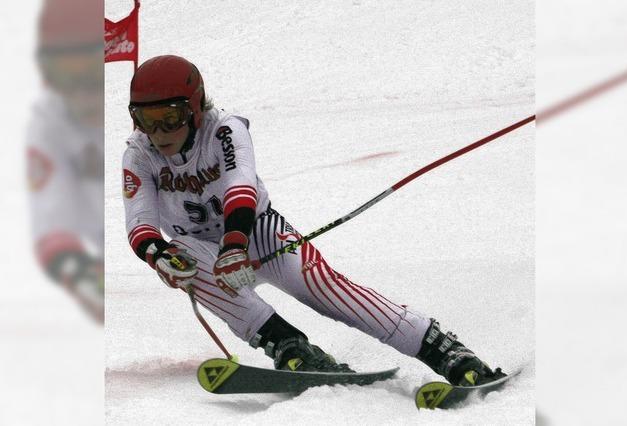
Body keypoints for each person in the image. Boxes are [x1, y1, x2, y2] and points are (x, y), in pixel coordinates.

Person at [122, 54, 505, 385]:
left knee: (322, 287)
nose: (157, 133)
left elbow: (240, 187)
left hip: (255, 232)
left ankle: (441, 349)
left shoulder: (223, 130)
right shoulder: (139, 154)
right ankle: (288, 345)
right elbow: (140, 222)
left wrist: (235, 243)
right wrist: (159, 256)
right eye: (145, 119)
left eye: (169, 118)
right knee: (181, 257)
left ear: (194, 107)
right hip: (203, 250)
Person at [28, 0, 104, 322]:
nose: (80, 87)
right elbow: (52, 213)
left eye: (89, 67)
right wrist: (78, 272)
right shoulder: (49, 123)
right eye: (65, 70)